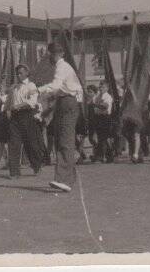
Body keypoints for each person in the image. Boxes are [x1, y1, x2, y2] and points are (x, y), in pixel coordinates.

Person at [37, 43, 83, 193]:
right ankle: (67, 177)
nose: (51, 56)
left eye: (52, 53)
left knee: (65, 140)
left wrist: (38, 89)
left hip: (68, 102)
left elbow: (56, 86)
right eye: (52, 53)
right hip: (64, 102)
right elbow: (57, 91)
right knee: (61, 139)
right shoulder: (63, 66)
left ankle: (64, 180)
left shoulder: (61, 67)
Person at [6, 64, 45, 178]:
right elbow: (9, 102)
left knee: (30, 143)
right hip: (14, 117)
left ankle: (37, 166)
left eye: (21, 73)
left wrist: (18, 106)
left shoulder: (31, 86)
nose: (18, 75)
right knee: (13, 143)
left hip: (27, 116)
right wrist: (8, 110)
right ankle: (14, 172)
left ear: (26, 73)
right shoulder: (14, 87)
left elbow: (32, 102)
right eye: (17, 73)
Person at [91, 81, 114, 163]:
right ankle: (100, 155)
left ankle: (108, 155)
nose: (101, 89)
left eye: (103, 87)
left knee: (105, 137)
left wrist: (96, 105)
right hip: (97, 117)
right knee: (99, 137)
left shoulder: (108, 96)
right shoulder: (97, 96)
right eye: (100, 87)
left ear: (107, 88)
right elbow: (92, 103)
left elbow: (105, 106)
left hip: (105, 117)